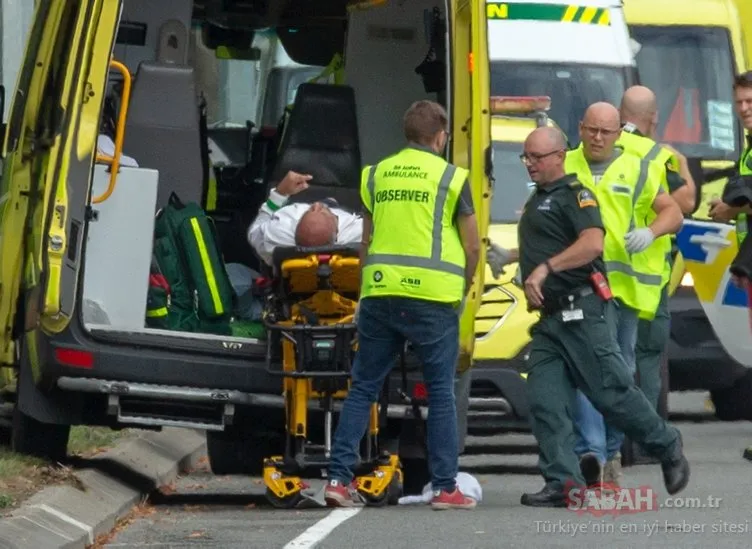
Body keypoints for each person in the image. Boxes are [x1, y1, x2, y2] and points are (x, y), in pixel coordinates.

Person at [515, 125, 689, 507]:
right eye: (526, 157)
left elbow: (592, 243)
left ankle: (667, 445)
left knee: (610, 393)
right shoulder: (540, 199)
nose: (530, 164)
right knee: (544, 398)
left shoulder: (576, 195)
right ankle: (563, 481)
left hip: (583, 313)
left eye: (537, 157)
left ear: (559, 156)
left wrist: (545, 269)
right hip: (551, 320)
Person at [323, 99, 480, 510]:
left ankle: (338, 479)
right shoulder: (451, 177)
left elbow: (366, 241)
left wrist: (366, 289)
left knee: (363, 388)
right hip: (433, 299)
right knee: (441, 394)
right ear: (441, 136)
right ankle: (445, 487)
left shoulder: (376, 175)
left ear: (407, 134)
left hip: (380, 294)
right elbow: (472, 244)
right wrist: (463, 287)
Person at [563, 102, 684, 489]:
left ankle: (611, 451)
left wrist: (651, 231)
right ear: (581, 128)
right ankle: (593, 454)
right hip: (580, 285)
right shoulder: (565, 165)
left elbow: (674, 212)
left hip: (624, 288)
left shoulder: (639, 168)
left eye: (606, 132)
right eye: (592, 130)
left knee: (619, 370)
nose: (598, 138)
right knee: (586, 367)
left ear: (619, 134)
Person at [618, 85, 696, 414]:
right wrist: (682, 164)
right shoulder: (658, 157)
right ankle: (646, 436)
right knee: (647, 358)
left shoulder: (594, 148)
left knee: (610, 356)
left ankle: (610, 443)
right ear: (654, 119)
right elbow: (686, 202)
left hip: (605, 272)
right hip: (647, 277)